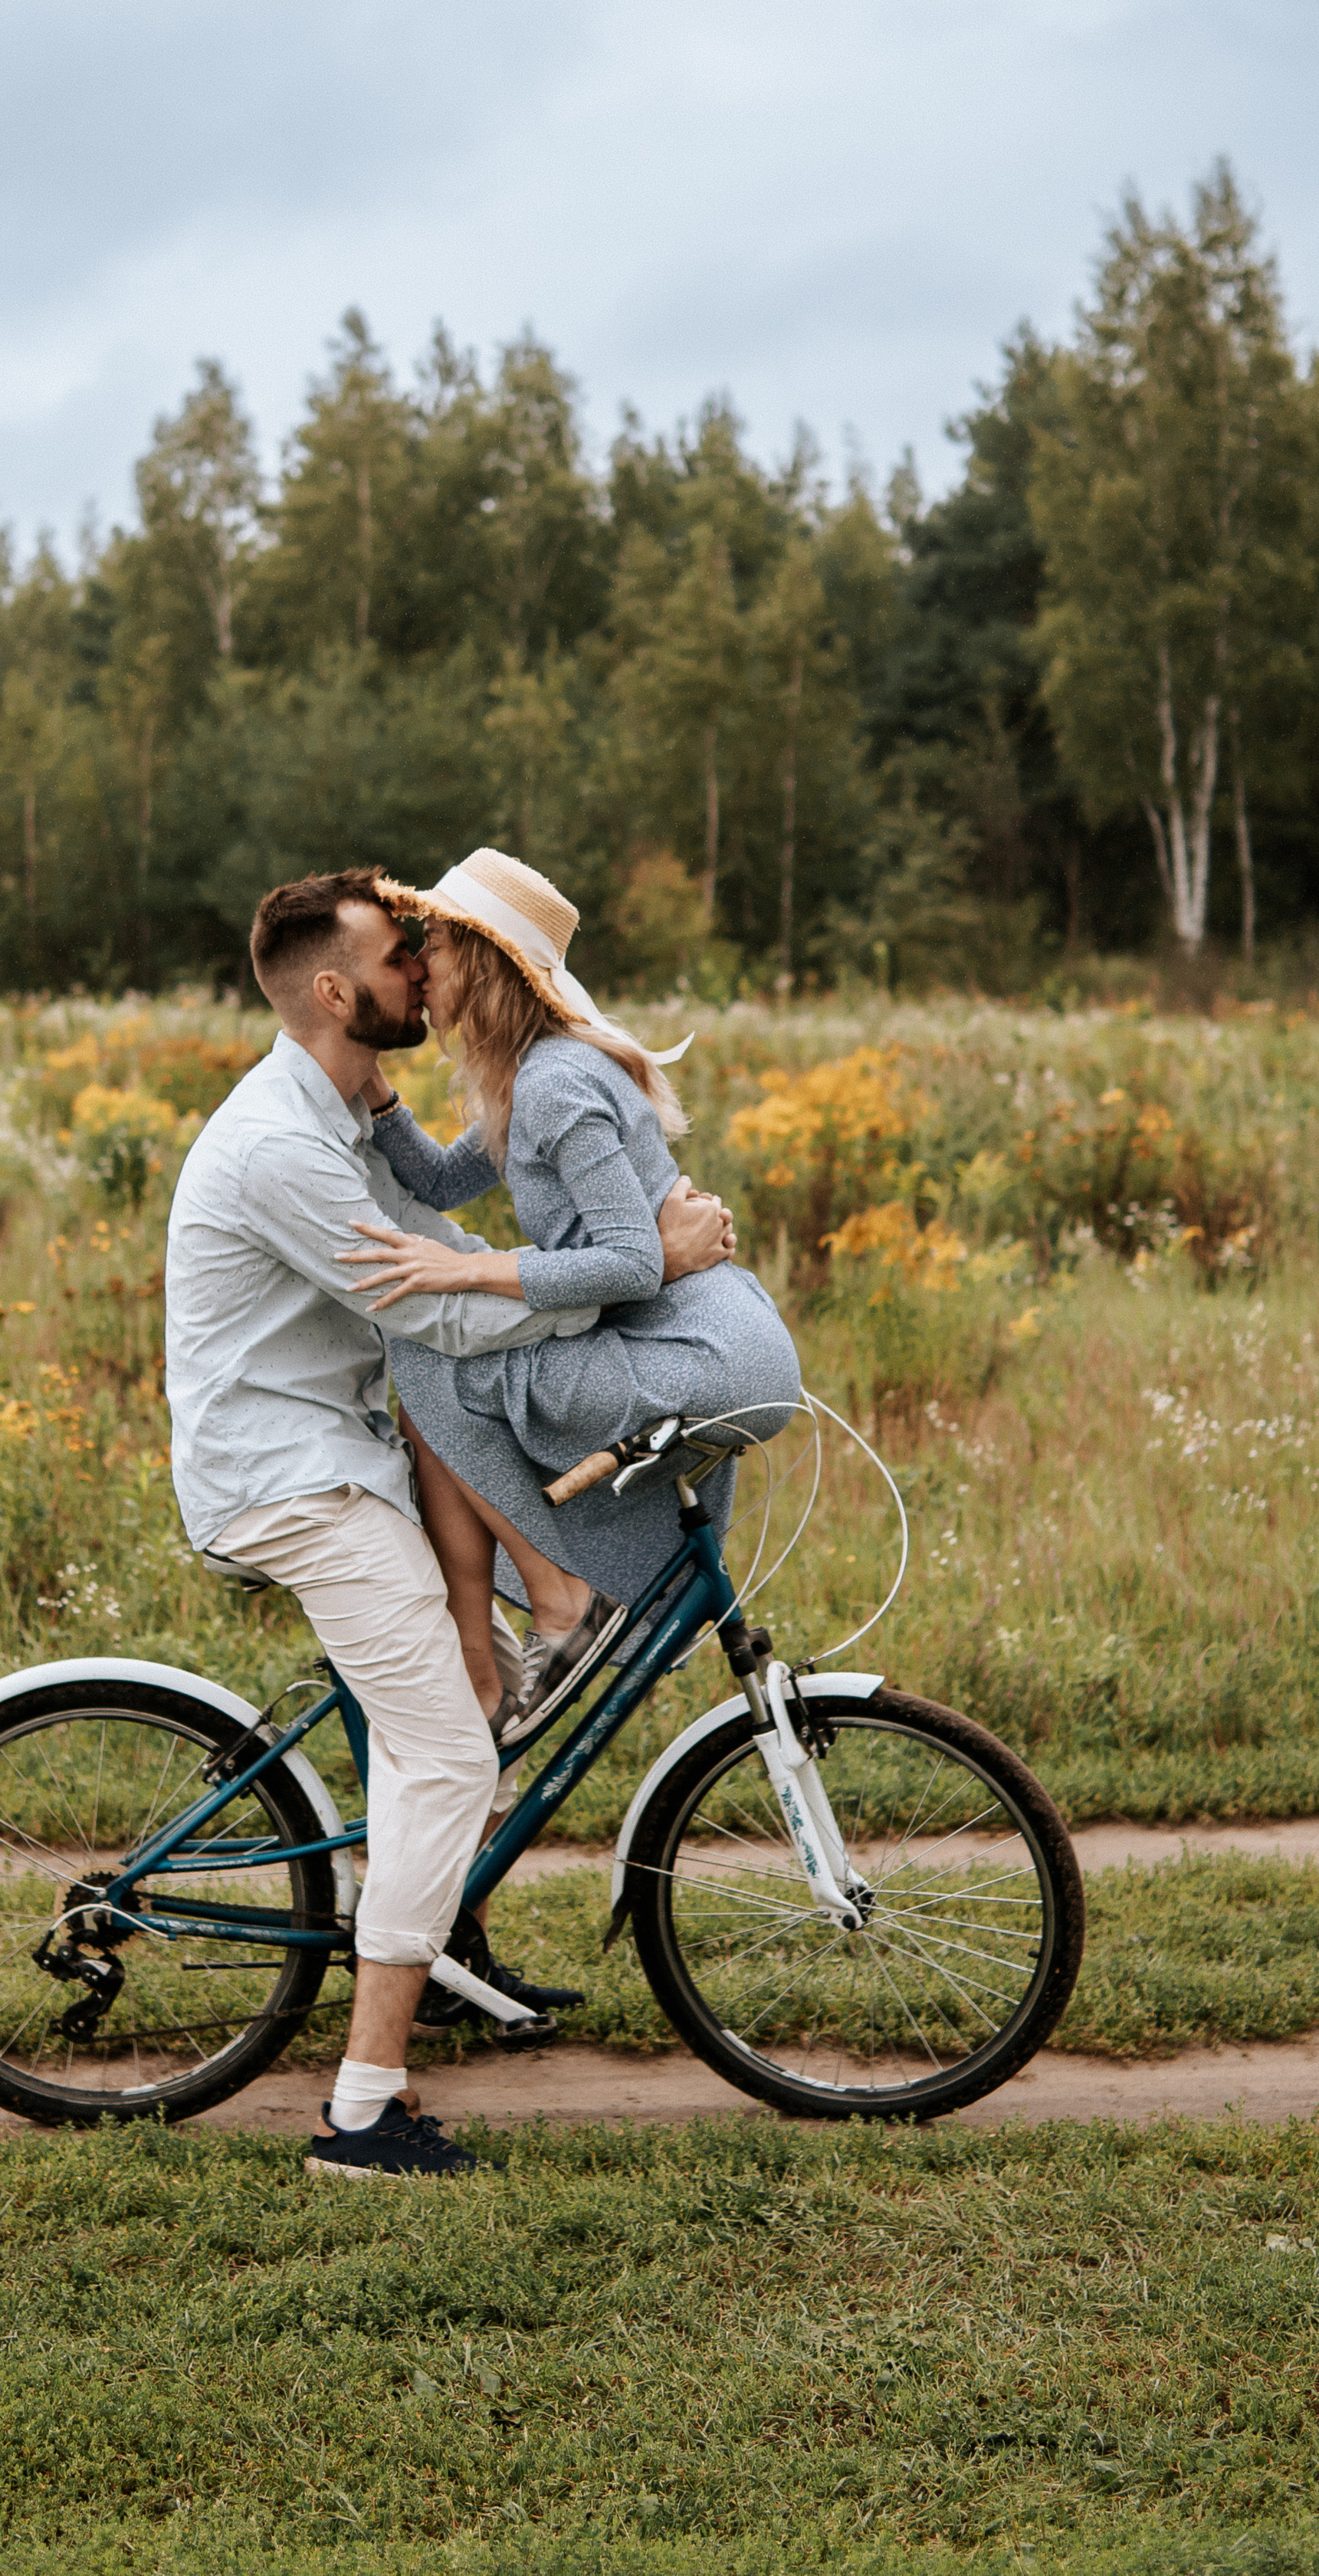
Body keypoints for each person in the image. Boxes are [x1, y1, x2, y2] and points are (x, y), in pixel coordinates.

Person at [163, 865, 732, 2182]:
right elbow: (436, 1307)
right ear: (332, 990)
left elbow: (438, 1224)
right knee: (448, 1763)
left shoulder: (339, 1108)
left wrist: (594, 1260)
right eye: (395, 954)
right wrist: (647, 1279)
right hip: (292, 1483)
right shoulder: (283, 1147)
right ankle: (363, 2113)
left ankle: (441, 1941)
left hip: (340, 1449)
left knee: (456, 1715)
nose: (420, 970)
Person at [345, 848, 802, 1740]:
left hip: (699, 1354)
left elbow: (630, 1263)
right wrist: (370, 1080)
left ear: (480, 961)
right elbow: (440, 1184)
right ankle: (503, 1650)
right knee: (443, 1380)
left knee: (434, 1369)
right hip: (714, 1335)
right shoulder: (535, 1074)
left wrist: (464, 1270)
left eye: (429, 946)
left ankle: (552, 1614)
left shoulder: (555, 1085)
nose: (417, 966)